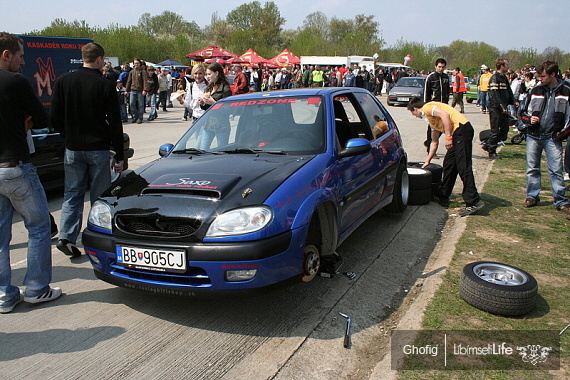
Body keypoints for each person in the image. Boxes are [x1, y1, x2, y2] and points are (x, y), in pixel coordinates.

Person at [0, 32, 62, 313]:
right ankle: (37, 288)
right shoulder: (14, 82)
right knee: (38, 226)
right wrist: (23, 121)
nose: (23, 62)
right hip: (14, 166)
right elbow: (42, 119)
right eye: (21, 55)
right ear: (6, 55)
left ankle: (4, 295)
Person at [50, 42, 125, 258]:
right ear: (100, 59)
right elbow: (114, 122)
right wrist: (119, 154)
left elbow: (54, 116)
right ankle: (97, 236)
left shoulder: (64, 80)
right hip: (98, 148)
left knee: (72, 194)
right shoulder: (104, 85)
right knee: (100, 196)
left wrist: (68, 135)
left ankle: (66, 236)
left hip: (73, 148)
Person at [408, 97, 485, 217]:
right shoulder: (431, 120)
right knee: (449, 164)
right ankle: (443, 195)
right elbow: (434, 142)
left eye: (414, 113)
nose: (415, 116)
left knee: (463, 166)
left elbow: (445, 115)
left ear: (416, 108)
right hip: (456, 135)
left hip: (461, 130)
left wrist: (448, 137)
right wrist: (427, 161)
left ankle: (473, 201)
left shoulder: (428, 107)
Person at [519, 61, 570, 215]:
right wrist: (529, 120)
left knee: (556, 170)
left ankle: (561, 200)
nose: (540, 79)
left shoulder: (566, 92)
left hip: (553, 137)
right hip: (534, 135)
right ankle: (532, 196)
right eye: (538, 76)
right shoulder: (535, 90)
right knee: (532, 168)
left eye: (543, 76)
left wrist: (561, 134)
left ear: (553, 74)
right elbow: (522, 111)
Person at [483, 58, 515, 159]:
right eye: (507, 65)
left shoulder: (504, 77)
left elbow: (508, 91)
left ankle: (488, 145)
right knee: (495, 130)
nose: (508, 66)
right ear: (502, 66)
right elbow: (495, 94)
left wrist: (514, 101)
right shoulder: (494, 77)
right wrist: (502, 105)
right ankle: (492, 152)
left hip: (503, 108)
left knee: (505, 130)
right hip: (495, 108)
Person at [198, 62, 232, 149]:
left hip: (221, 126)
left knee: (222, 151)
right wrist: (203, 103)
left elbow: (229, 110)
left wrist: (214, 103)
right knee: (203, 149)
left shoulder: (225, 89)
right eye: (206, 74)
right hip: (208, 124)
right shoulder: (209, 87)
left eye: (209, 74)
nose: (207, 76)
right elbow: (206, 108)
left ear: (217, 73)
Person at [423, 58, 450, 156]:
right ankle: (430, 148)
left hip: (443, 106)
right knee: (433, 127)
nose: (441, 69)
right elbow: (426, 92)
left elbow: (447, 92)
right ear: (435, 66)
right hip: (433, 106)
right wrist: (426, 106)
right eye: (439, 67)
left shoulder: (446, 77)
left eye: (443, 67)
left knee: (442, 126)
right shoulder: (431, 77)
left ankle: (428, 142)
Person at [125, 59, 148, 124]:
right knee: (131, 104)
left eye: (137, 63)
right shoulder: (132, 72)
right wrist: (126, 90)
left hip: (140, 90)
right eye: (135, 63)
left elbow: (145, 81)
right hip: (132, 90)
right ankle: (135, 116)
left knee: (141, 105)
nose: (136, 64)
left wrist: (144, 89)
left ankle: (140, 118)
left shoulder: (143, 71)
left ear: (140, 64)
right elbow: (129, 81)